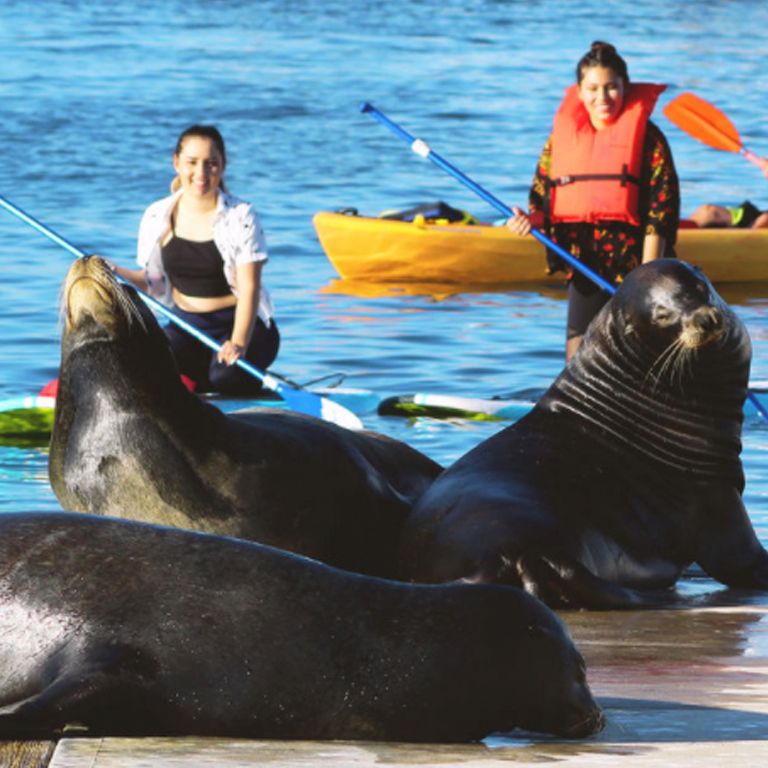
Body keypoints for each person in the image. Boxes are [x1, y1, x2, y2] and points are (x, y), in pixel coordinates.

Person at [507, 41, 680, 361]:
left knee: (640, 355)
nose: (603, 98)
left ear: (625, 87)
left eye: (612, 87)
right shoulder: (559, 140)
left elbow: (661, 211)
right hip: (584, 262)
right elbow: (542, 201)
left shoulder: (649, 139)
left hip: (638, 263)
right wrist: (526, 221)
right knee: (577, 356)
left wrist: (645, 277)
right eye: (593, 88)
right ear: (579, 91)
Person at [113, 124, 279, 394]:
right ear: (176, 162)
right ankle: (197, 385)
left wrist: (237, 343)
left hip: (242, 325)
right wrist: (112, 270)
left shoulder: (241, 215)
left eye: (211, 163)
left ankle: (230, 381)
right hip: (186, 326)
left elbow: (249, 290)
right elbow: (151, 281)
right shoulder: (157, 215)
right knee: (142, 367)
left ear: (223, 166)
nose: (201, 173)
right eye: (192, 162)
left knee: (225, 378)